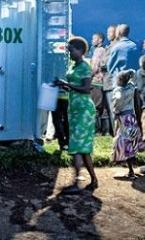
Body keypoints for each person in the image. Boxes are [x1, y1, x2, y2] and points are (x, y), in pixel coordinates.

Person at [54, 36, 98, 194]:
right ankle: (93, 179)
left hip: (84, 111)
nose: (69, 53)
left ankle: (76, 182)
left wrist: (66, 84)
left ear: (80, 50)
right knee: (82, 147)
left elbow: (86, 89)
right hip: (74, 109)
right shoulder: (74, 66)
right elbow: (76, 87)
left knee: (77, 146)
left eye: (71, 50)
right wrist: (63, 86)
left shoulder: (85, 67)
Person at [111, 69, 145, 179]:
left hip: (123, 119)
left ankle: (130, 170)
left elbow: (118, 101)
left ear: (120, 80)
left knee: (123, 142)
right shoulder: (131, 88)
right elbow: (134, 76)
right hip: (131, 118)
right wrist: (130, 72)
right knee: (131, 141)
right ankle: (130, 167)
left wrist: (116, 109)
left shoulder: (118, 90)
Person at [106, 24, 138, 132]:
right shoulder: (134, 45)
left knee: (117, 109)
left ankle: (119, 133)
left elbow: (110, 67)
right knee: (131, 109)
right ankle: (131, 131)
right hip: (133, 82)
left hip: (119, 83)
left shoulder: (117, 47)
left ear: (118, 33)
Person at [100, 24, 118, 136]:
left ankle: (117, 134)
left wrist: (103, 64)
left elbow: (106, 63)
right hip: (108, 81)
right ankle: (115, 132)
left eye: (110, 32)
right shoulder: (109, 46)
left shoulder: (115, 46)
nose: (108, 34)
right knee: (111, 110)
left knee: (114, 110)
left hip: (112, 82)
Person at [89, 31, 107, 133]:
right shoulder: (104, 50)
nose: (92, 40)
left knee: (94, 106)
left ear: (100, 40)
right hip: (103, 81)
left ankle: (96, 129)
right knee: (103, 108)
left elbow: (95, 67)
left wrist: (89, 77)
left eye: (94, 38)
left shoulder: (97, 51)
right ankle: (105, 130)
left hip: (96, 81)